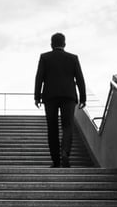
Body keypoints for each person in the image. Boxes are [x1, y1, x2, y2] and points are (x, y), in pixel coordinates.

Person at [34, 32, 86, 168]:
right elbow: (80, 78)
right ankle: (65, 152)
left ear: (51, 44)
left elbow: (39, 77)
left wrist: (37, 96)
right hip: (68, 96)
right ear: (64, 44)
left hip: (50, 96)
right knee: (67, 126)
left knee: (52, 128)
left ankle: (56, 161)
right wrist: (83, 98)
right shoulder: (73, 58)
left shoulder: (45, 57)